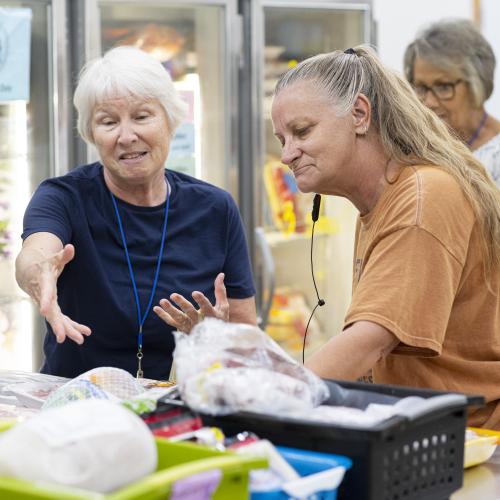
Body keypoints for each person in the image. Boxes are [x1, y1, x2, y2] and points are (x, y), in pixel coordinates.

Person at [271, 46, 500, 428]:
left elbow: (370, 340)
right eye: (282, 139)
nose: (287, 155)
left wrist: (272, 402)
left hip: (476, 439)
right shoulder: (385, 200)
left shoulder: (424, 197)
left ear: (359, 114)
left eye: (302, 131)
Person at [15, 46, 256, 380]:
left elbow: (246, 335)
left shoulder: (215, 209)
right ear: (91, 134)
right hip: (75, 408)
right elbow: (37, 252)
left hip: (176, 410)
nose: (127, 136)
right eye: (108, 122)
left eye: (142, 116)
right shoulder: (63, 197)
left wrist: (212, 338)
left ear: (171, 121)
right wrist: (38, 276)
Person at [404, 18, 500, 186]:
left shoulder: (495, 156)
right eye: (420, 87)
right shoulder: (410, 148)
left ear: (476, 84)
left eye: (443, 87)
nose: (429, 102)